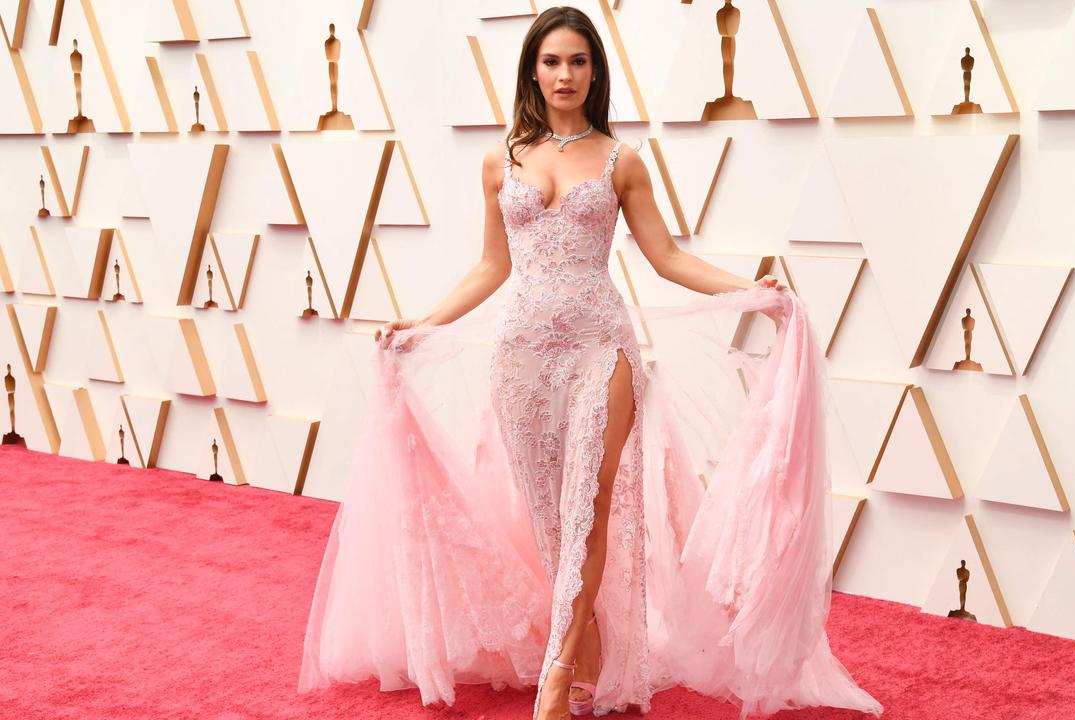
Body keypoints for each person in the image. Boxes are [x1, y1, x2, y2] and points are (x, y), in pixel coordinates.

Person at [298, 7, 883, 720]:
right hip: (520, 358)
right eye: (552, 62)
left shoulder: (619, 161)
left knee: (588, 509)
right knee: (550, 515)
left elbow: (666, 258)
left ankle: (557, 671)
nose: (565, 74)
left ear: (595, 71)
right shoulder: (501, 159)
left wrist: (751, 292)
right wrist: (423, 321)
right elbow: (491, 267)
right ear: (533, 71)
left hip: (601, 350)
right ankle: (591, 638)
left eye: (578, 61)